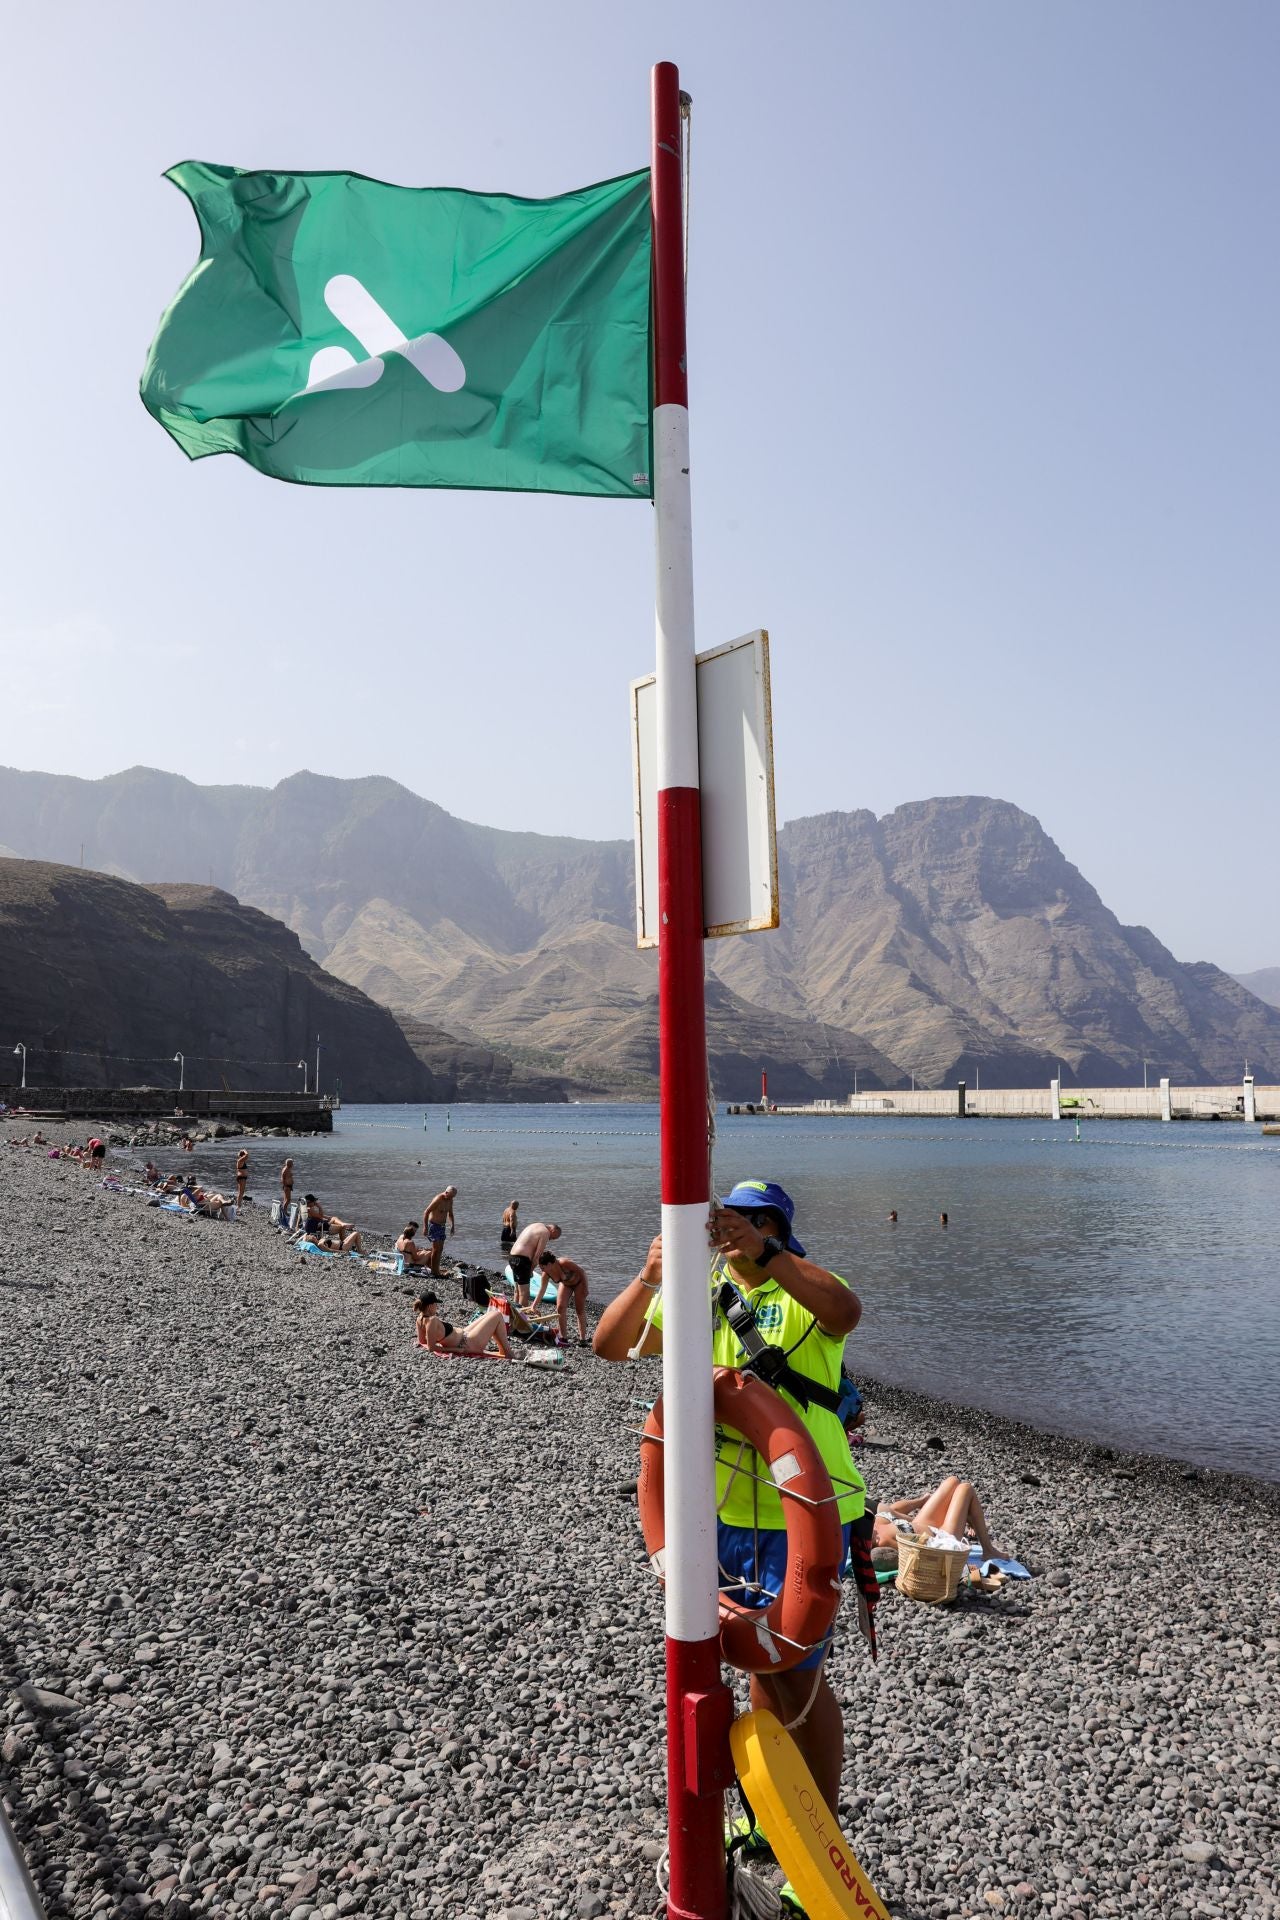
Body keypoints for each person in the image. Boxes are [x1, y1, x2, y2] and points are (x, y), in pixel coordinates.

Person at [593, 1179, 865, 1823]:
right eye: (728, 1220)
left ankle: (819, 1824)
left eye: (753, 1220)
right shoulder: (699, 1296)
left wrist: (767, 1256)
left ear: (776, 1228)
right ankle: (770, 1809)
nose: (733, 1229)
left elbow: (846, 1312)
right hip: (722, 1512)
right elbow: (608, 1345)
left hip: (807, 1513)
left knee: (794, 1670)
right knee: (753, 1660)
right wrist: (653, 1274)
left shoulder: (800, 1289)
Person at [872, 1477, 997, 1560]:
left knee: (952, 1481)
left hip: (920, 1525)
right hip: (941, 1540)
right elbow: (918, 1558)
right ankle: (988, 1550)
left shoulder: (874, 1524)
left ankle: (965, 1513)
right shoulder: (882, 1542)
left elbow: (892, 1510)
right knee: (965, 1489)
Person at [414, 1291, 511, 1360]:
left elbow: (422, 1341)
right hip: (467, 1343)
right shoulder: (432, 1320)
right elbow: (432, 1348)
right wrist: (455, 1349)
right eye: (436, 1304)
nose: (437, 1307)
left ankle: (504, 1351)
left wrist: (436, 1338)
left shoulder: (420, 1319)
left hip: (464, 1336)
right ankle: (508, 1353)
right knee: (497, 1315)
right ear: (430, 1306)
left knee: (491, 1313)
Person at [535, 1249, 589, 1344]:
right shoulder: (546, 1274)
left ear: (549, 1264)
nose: (541, 1270)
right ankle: (563, 1337)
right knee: (560, 1308)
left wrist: (585, 1287)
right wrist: (533, 1306)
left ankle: (583, 1338)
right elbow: (542, 1290)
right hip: (566, 1284)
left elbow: (581, 1271)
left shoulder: (564, 1263)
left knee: (579, 1309)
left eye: (542, 1267)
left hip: (579, 1283)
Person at [507, 1219, 560, 1307]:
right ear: (553, 1230)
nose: (551, 1239)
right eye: (554, 1237)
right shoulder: (545, 1233)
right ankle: (522, 1318)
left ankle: (513, 1315)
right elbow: (537, 1257)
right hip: (522, 1260)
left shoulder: (536, 1225)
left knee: (517, 1290)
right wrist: (530, 1271)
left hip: (512, 1256)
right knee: (525, 1293)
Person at [421, 1185, 457, 1276]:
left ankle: (436, 1269)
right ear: (446, 1192)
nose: (451, 1198)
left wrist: (452, 1226)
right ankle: (434, 1271)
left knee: (440, 1249)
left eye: (453, 1197)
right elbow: (426, 1212)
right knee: (436, 1249)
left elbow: (450, 1214)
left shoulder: (450, 1200)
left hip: (442, 1227)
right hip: (433, 1225)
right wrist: (425, 1227)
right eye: (450, 1196)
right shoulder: (438, 1199)